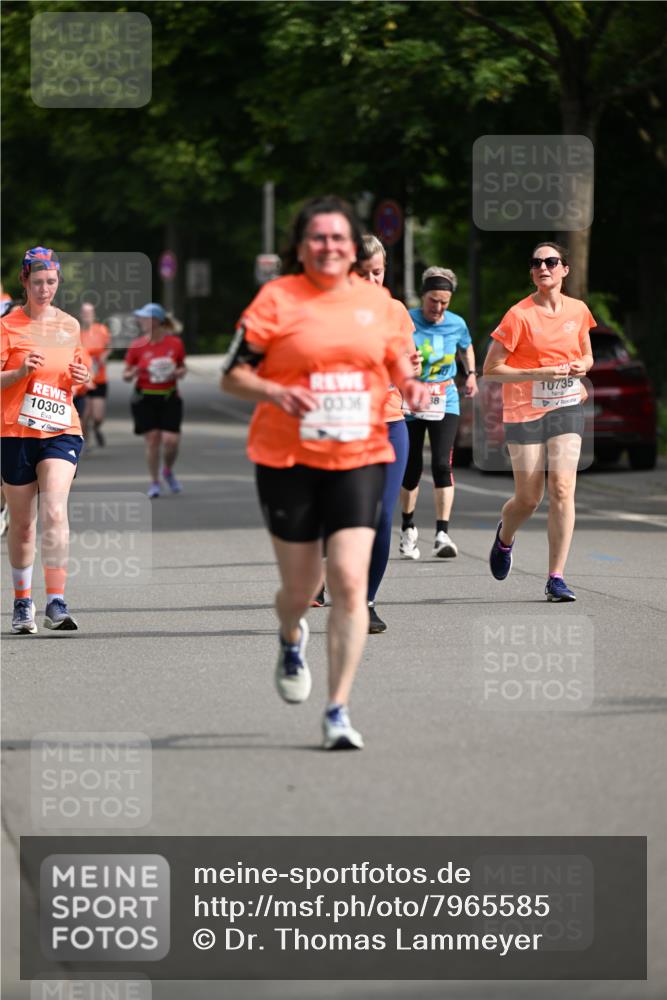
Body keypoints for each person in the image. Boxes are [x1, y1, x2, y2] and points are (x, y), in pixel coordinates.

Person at [221, 195, 429, 749]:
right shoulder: (276, 299)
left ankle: (337, 709)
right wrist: (274, 391)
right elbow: (233, 376)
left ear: (351, 244)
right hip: (286, 458)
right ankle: (291, 636)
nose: (329, 246)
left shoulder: (381, 306)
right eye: (318, 238)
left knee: (350, 581)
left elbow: (401, 368)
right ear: (301, 245)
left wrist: (412, 387)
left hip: (359, 454)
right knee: (297, 588)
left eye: (339, 238)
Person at [483, 242, 595, 601]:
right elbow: (491, 370)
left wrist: (582, 370)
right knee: (529, 498)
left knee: (562, 488)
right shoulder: (519, 315)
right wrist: (541, 372)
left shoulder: (578, 310)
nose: (543, 267)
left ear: (565, 269)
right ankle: (504, 538)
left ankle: (556, 577)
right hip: (524, 411)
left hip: (565, 406)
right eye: (536, 262)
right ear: (532, 272)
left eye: (551, 261)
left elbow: (586, 354)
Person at [1, 246, 89, 632]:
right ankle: (23, 603)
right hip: (15, 431)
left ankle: (56, 600)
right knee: (22, 524)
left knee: (54, 510)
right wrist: (19, 371)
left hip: (60, 428)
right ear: (24, 281)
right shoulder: (7, 326)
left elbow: (76, 376)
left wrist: (81, 379)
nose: (44, 289)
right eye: (37, 282)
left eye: (51, 282)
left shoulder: (69, 325)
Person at [353, 234, 419, 634]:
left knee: (380, 516)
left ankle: (367, 602)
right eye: (363, 275)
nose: (373, 281)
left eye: (378, 272)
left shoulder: (396, 311)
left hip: (392, 423)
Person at [399, 266, 478, 560]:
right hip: (411, 399)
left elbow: (466, 348)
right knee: (412, 466)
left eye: (444, 302)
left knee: (443, 465)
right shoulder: (407, 320)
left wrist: (471, 374)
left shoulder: (456, 323)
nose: (438, 307)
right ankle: (408, 529)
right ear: (423, 296)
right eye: (433, 300)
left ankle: (442, 534)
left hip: (445, 399)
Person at [123, 303, 186, 498]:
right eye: (140, 318)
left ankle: (167, 470)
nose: (140, 321)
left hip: (169, 397)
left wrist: (177, 372)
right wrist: (133, 372)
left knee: (171, 441)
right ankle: (155, 482)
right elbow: (125, 375)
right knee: (152, 440)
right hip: (145, 398)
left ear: (157, 321)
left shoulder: (175, 344)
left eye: (144, 318)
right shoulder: (136, 346)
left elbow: (183, 367)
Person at [80, 302, 111, 447]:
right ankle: (86, 441)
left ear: (93, 314)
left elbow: (109, 347)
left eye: (89, 313)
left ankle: (96, 428)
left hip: (99, 379)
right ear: (81, 315)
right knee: (84, 415)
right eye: (84, 313)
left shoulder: (101, 330)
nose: (87, 316)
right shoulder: (77, 332)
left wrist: (105, 355)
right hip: (83, 380)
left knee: (98, 416)